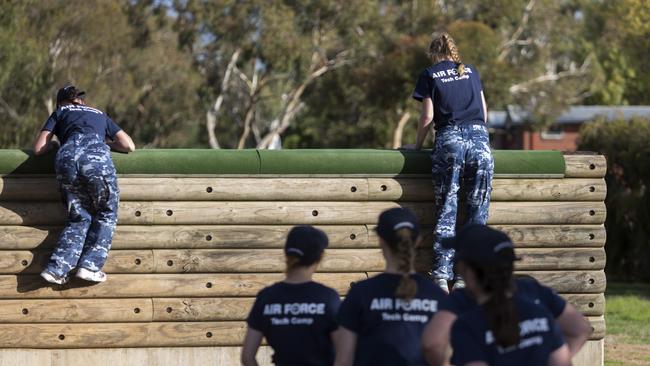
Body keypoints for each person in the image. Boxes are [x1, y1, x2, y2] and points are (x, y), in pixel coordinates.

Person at [422, 225, 589, 366]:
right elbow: (570, 345)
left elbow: (432, 343)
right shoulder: (541, 314)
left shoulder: (469, 325)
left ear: (469, 271)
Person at [406, 32, 494, 292]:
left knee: (448, 207)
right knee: (477, 210)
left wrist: (418, 145)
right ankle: (467, 276)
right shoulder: (471, 71)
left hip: (450, 140)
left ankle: (442, 276)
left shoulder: (430, 74)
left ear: (434, 54)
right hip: (480, 141)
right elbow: (485, 112)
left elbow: (428, 116)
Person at [33, 85, 135, 285]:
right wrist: (106, 144)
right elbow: (128, 145)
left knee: (78, 216)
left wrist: (54, 144)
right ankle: (89, 267)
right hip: (95, 158)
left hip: (66, 158)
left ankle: (56, 269)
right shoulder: (99, 113)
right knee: (106, 211)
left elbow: (38, 148)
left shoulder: (60, 112)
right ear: (80, 100)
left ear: (60, 101)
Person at [334, 207, 447, 366]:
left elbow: (344, 361)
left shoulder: (360, 293)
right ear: (418, 241)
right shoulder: (437, 296)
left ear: (380, 240)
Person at [241, 225, 341, 366]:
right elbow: (344, 356)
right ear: (319, 258)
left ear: (287, 254)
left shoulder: (266, 297)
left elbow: (247, 357)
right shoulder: (328, 298)